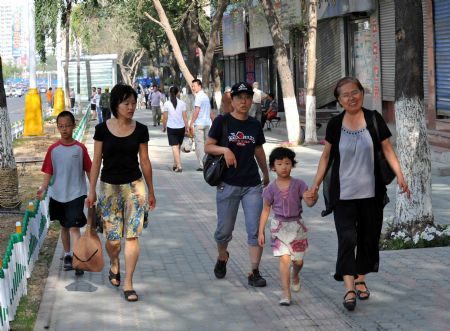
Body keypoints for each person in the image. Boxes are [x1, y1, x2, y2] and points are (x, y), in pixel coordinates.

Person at [310, 77, 410, 311]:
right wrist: (314, 185)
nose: (351, 97)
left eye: (355, 92)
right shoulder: (335, 124)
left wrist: (401, 176)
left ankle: (361, 278)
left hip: (371, 194)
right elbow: (326, 157)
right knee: (347, 239)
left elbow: (387, 149)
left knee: (368, 238)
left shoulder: (374, 118)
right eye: (345, 95)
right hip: (342, 194)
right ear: (339, 100)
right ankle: (348, 289)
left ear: (361, 93)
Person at [86, 83, 156, 302]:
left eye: (134, 103)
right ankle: (114, 263)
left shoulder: (141, 130)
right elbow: (96, 160)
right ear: (116, 104)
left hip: (135, 187)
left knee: (132, 236)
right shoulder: (101, 130)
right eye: (126, 103)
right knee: (113, 240)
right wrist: (91, 191)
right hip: (108, 188)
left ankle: (129, 283)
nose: (131, 107)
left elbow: (144, 161)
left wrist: (151, 190)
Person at [205, 81, 270, 287]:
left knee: (255, 229)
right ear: (231, 100)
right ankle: (223, 256)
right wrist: (225, 150)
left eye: (247, 97)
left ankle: (254, 271)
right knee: (224, 231)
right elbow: (208, 146)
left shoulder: (254, 124)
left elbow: (258, 150)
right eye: (239, 97)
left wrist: (266, 173)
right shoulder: (222, 122)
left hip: (252, 184)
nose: (244, 101)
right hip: (228, 183)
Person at [258, 147, 318, 306]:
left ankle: (295, 275)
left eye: (287, 163)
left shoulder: (299, 184)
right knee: (284, 260)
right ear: (273, 167)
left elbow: (310, 203)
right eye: (279, 164)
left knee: (298, 262)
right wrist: (261, 232)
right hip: (279, 227)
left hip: (297, 226)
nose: (283, 167)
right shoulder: (269, 188)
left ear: (292, 165)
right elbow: (265, 210)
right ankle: (285, 293)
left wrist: (314, 196)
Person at [37, 111, 92, 276]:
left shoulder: (80, 148)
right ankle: (67, 255)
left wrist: (93, 191)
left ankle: (78, 259)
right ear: (57, 128)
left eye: (67, 125)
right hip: (58, 195)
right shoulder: (53, 150)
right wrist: (43, 188)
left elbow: (89, 170)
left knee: (74, 227)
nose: (64, 129)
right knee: (64, 226)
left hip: (77, 194)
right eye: (61, 126)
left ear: (74, 126)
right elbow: (48, 171)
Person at [162, 86, 189, 172]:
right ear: (178, 93)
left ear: (170, 93)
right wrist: (187, 127)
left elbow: (165, 118)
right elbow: (185, 117)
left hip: (171, 128)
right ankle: (175, 164)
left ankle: (179, 166)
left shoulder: (166, 104)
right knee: (178, 147)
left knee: (174, 147)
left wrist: (164, 127)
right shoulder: (182, 103)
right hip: (181, 127)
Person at [190, 79, 215, 171]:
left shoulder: (198, 97)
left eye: (194, 86)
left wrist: (191, 122)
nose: (193, 88)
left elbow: (197, 111)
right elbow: (210, 111)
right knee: (206, 145)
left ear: (199, 86)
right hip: (207, 124)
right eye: (192, 86)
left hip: (199, 124)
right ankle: (208, 164)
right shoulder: (205, 96)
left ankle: (202, 165)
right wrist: (214, 122)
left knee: (199, 145)